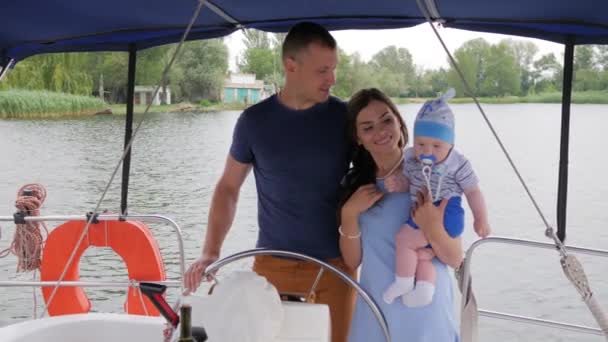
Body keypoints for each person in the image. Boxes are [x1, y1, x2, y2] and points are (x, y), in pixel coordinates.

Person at [183, 22, 355, 342]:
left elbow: (380, 171)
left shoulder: (345, 118)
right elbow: (228, 187)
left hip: (335, 268)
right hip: (273, 268)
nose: (332, 79)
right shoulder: (254, 122)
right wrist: (210, 251)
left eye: (334, 69)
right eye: (323, 70)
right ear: (291, 66)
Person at [340, 88, 462, 341]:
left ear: (399, 121)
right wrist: (349, 213)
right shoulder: (355, 183)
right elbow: (353, 261)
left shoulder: (433, 174)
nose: (381, 132)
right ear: (358, 137)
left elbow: (454, 258)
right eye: (368, 127)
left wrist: (432, 227)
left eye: (386, 120)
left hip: (424, 303)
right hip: (377, 303)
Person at [381, 89, 491, 307]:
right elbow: (409, 183)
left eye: (436, 146)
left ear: (451, 144)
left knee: (403, 240)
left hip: (446, 212)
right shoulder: (412, 160)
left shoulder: (458, 164)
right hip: (423, 211)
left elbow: (473, 191)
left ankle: (403, 282)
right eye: (421, 144)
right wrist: (398, 184)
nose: (427, 151)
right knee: (422, 255)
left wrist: (481, 218)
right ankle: (424, 290)